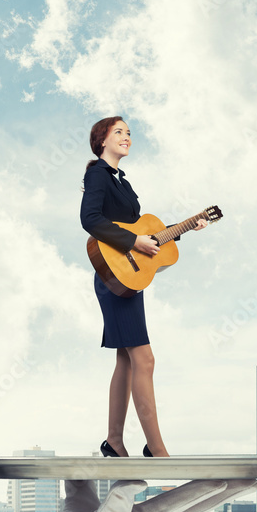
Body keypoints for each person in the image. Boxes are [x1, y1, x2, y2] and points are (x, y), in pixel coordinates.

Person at [80, 116, 205, 458]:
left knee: (126, 360)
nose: (127, 137)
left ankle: (114, 442)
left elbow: (150, 234)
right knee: (144, 359)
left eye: (129, 133)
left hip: (129, 279)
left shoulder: (123, 183)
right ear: (102, 139)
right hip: (113, 275)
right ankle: (157, 449)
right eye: (119, 132)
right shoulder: (98, 175)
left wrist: (185, 227)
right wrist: (134, 243)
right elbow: (90, 220)